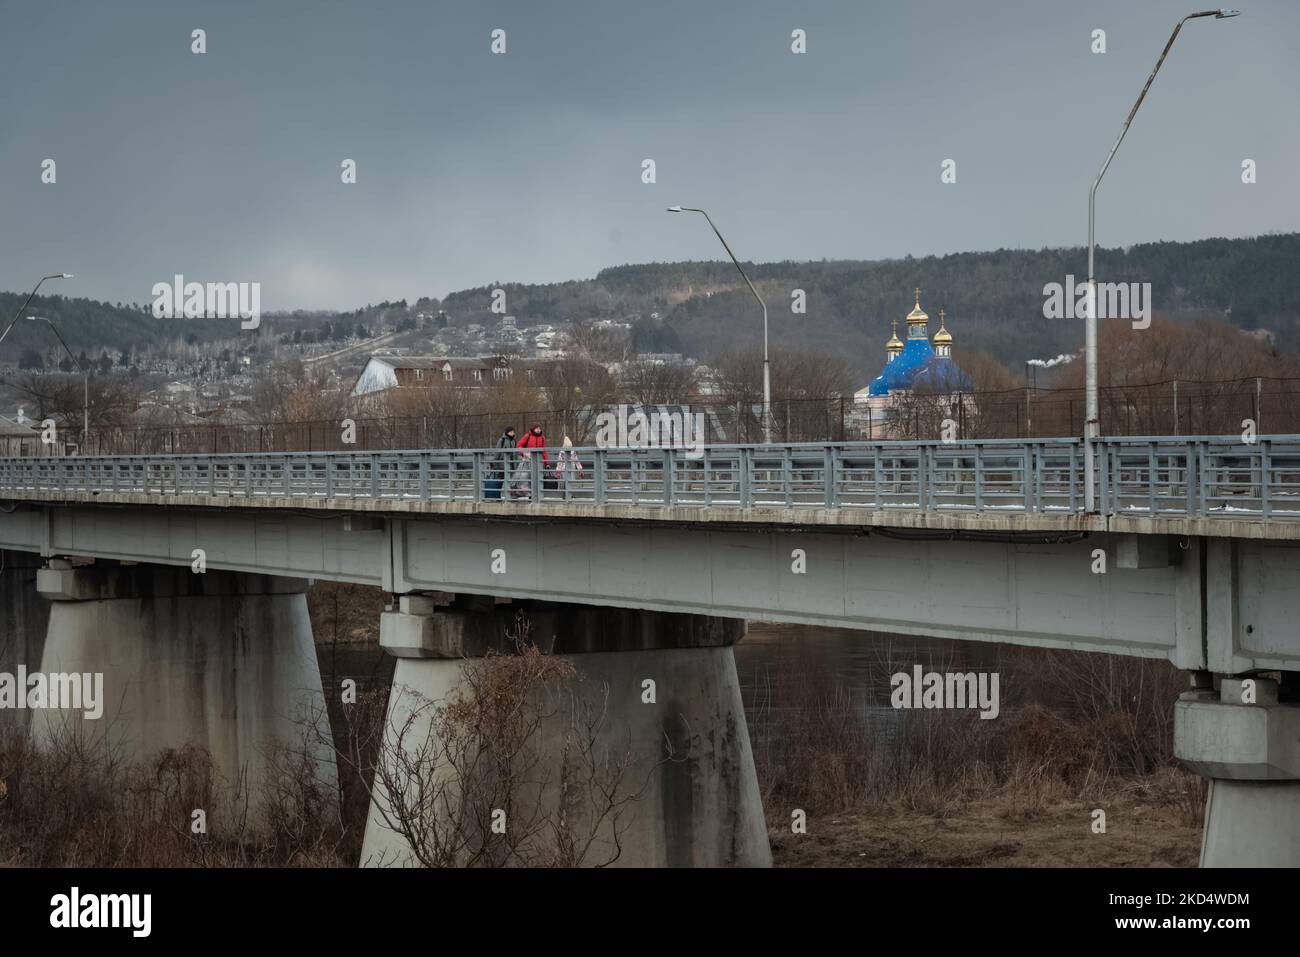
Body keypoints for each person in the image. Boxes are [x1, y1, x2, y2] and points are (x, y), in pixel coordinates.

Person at [511, 422, 549, 498]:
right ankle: (524, 493)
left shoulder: (542, 438)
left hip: (538, 461)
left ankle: (535, 495)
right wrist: (524, 452)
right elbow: (519, 445)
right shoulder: (528, 436)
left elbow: (544, 451)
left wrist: (546, 463)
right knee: (525, 477)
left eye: (539, 428)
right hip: (527, 461)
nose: (538, 430)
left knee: (537, 478)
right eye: (536, 428)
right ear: (533, 429)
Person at [486, 426, 515, 499]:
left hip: (511, 465)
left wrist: (515, 464)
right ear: (507, 432)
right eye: (510, 432)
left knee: (511, 482)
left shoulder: (513, 441)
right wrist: (494, 463)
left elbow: (515, 453)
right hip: (502, 465)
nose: (512, 433)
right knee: (499, 482)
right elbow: (497, 452)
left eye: (513, 432)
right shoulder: (502, 440)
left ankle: (509, 497)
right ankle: (496, 496)